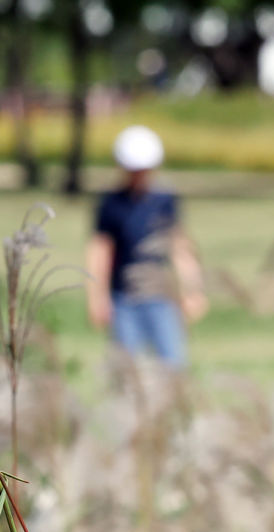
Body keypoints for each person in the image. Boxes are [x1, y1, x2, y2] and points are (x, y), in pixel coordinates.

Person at [87, 125, 206, 368]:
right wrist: (97, 297)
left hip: (162, 298)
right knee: (129, 370)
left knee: (173, 365)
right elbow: (100, 251)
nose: (139, 175)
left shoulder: (165, 201)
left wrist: (192, 290)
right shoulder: (111, 204)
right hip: (124, 299)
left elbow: (179, 247)